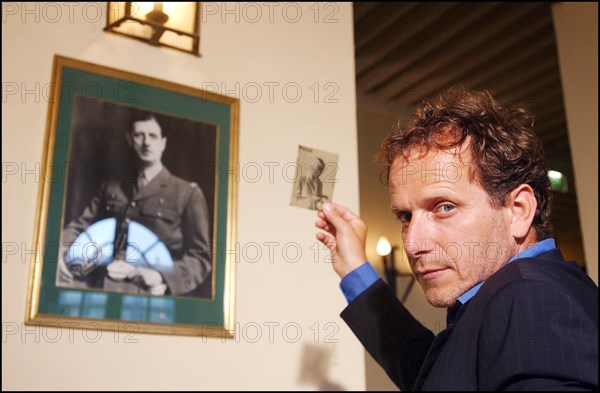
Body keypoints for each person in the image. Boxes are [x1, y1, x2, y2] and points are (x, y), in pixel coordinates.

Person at [315, 87, 598, 391]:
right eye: (406, 217)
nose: (412, 244)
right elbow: (432, 374)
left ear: (517, 211)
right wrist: (354, 270)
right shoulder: (513, 294)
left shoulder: (531, 295)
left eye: (444, 207)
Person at [57, 112, 212, 298]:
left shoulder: (187, 193)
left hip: (151, 294)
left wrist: (161, 277)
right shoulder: (112, 187)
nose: (147, 143)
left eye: (153, 136)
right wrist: (61, 250)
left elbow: (200, 257)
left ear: (163, 143)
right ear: (130, 140)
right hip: (101, 287)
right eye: (140, 135)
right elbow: (83, 226)